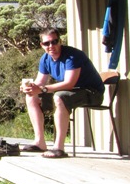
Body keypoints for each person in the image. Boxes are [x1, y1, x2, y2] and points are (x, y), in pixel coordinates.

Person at [20, 28, 104, 158]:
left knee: (59, 97)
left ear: (60, 41)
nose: (51, 46)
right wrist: (30, 88)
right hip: (70, 93)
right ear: (42, 45)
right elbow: (40, 82)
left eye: (54, 41)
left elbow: (69, 83)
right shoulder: (45, 59)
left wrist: (42, 89)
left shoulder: (73, 55)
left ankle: (59, 147)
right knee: (31, 97)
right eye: (47, 43)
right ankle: (40, 142)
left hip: (92, 93)